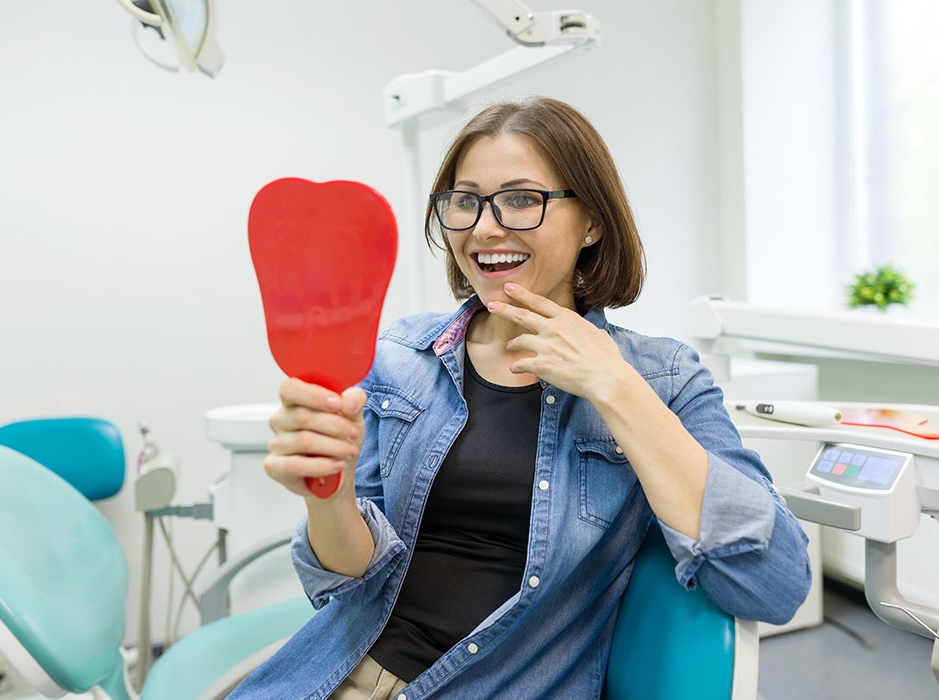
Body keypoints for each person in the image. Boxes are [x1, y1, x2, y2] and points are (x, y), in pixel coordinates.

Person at [228, 96, 811, 699]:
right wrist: (330, 494)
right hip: (329, 677)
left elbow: (774, 582)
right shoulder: (398, 357)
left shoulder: (663, 379)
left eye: (521, 199)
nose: (484, 227)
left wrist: (612, 385)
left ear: (593, 221)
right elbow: (349, 584)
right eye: (465, 200)